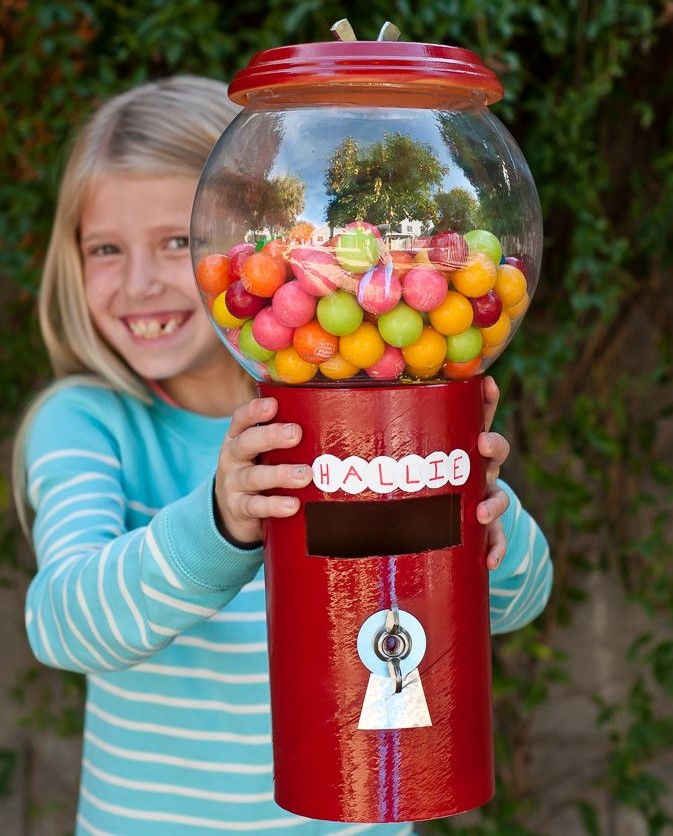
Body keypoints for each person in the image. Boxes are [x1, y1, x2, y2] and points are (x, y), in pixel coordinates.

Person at [13, 76, 552, 836]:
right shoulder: (88, 424)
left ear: (267, 245)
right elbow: (64, 626)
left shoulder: (363, 405)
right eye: (105, 248)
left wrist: (484, 511)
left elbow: (514, 606)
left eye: (174, 242)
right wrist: (220, 522)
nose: (138, 282)